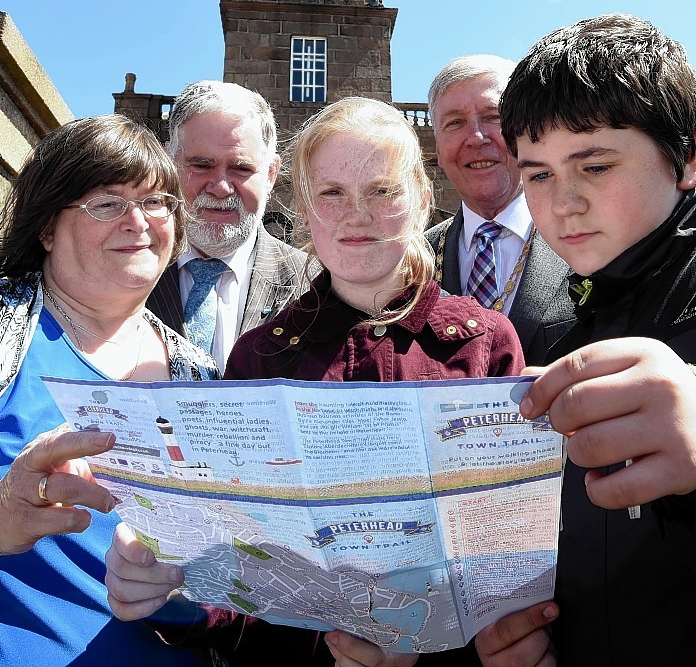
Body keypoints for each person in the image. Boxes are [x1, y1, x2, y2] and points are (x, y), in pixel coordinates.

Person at [105, 96, 526, 666]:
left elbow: (506, 559)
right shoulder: (258, 359)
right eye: (332, 193)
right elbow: (240, 575)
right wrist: (173, 588)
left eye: (382, 190)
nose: (357, 214)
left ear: (424, 201)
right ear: (304, 207)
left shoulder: (484, 344)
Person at [474, 13, 696, 667]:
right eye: (537, 174)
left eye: (593, 165)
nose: (561, 202)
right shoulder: (573, 313)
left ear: (685, 159)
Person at [0, 114, 219, 666]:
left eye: (156, 202)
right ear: (48, 227)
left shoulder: (204, 375)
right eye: (107, 202)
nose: (139, 222)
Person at [147, 80, 308, 373]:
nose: (220, 187)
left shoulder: (314, 286)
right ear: (169, 161)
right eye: (201, 165)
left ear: (271, 174)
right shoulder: (123, 268)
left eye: (241, 169)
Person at [425, 55, 574, 364]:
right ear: (438, 150)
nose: (476, 137)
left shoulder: (585, 232)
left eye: (493, 116)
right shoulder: (417, 258)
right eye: (454, 123)